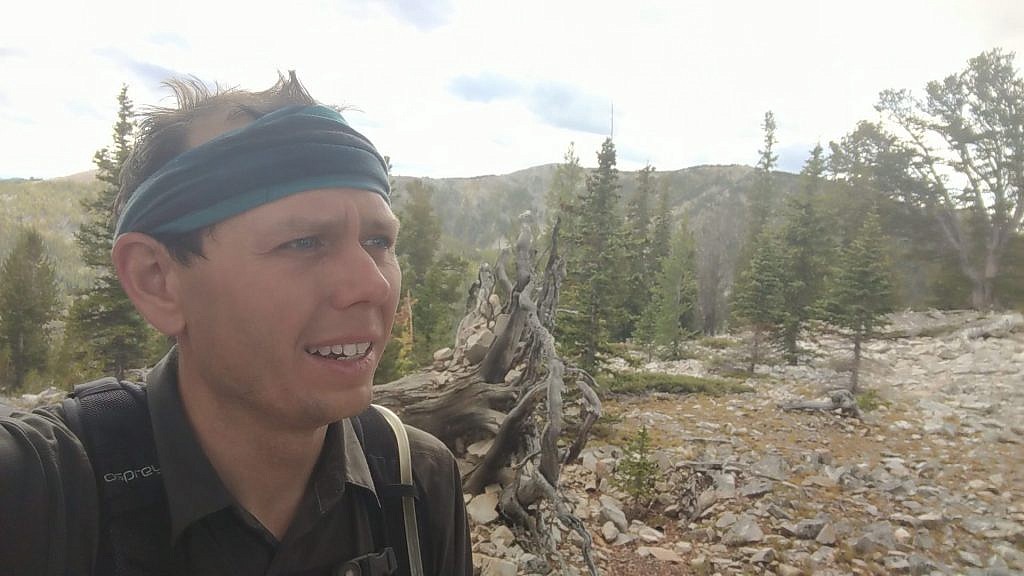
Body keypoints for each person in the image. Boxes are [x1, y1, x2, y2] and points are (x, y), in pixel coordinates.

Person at [0, 72, 472, 576]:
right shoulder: (37, 494)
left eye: (378, 242)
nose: (372, 286)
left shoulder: (413, 484)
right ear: (157, 279)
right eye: (304, 242)